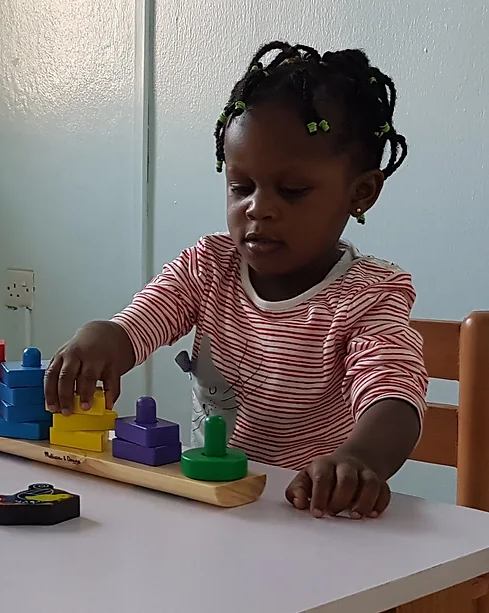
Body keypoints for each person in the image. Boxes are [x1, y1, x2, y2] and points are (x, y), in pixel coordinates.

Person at [44, 42, 425, 520]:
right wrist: (103, 337)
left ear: (361, 192)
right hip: (214, 505)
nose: (258, 208)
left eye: (292, 191)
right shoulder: (210, 266)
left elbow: (393, 394)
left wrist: (360, 459)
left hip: (309, 516)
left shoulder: (368, 295)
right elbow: (140, 325)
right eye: (241, 187)